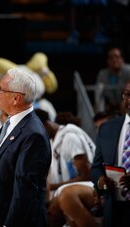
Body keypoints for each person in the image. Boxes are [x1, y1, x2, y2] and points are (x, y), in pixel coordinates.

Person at [0, 68, 52, 226]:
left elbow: (25, 188)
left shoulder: (34, 134)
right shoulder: (13, 123)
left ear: (16, 98)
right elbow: (4, 160)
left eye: (1, 89)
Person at [90, 80, 130, 227]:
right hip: (114, 208)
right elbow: (95, 167)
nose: (129, 99)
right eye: (127, 95)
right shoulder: (106, 129)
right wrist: (100, 180)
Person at [35, 108, 96, 194]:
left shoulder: (70, 138)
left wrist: (52, 187)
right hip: (69, 191)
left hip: (88, 190)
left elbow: (86, 176)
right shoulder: (53, 142)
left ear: (47, 125)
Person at [96, 46, 130, 112]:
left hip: (125, 102)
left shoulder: (128, 70)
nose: (114, 60)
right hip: (111, 105)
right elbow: (99, 94)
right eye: (111, 57)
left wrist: (123, 102)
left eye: (117, 57)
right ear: (107, 61)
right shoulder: (102, 74)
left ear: (122, 59)